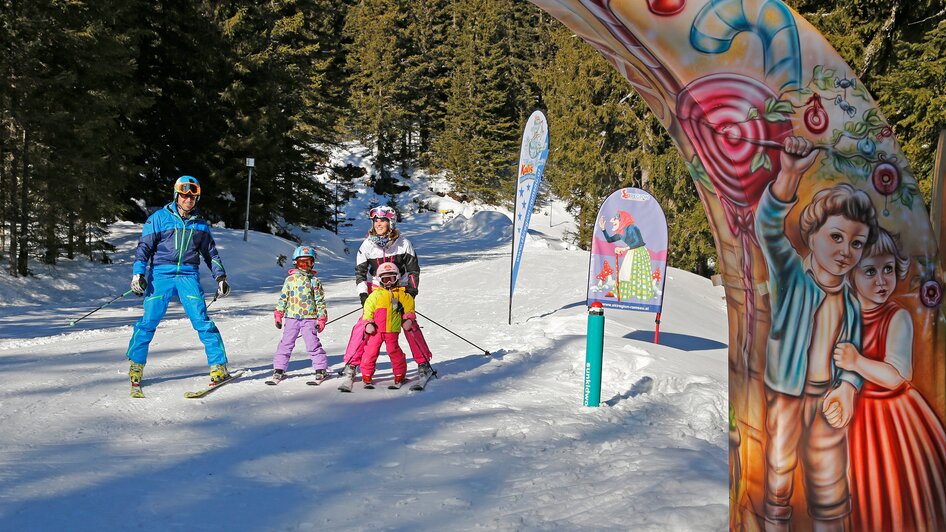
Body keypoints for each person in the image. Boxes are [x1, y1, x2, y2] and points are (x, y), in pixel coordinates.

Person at [754, 136, 877, 530]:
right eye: (836, 237)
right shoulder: (792, 276)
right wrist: (789, 173)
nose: (846, 251)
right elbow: (769, 229)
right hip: (787, 396)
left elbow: (852, 352)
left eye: (857, 244)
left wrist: (848, 385)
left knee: (829, 485)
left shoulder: (852, 302)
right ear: (813, 234)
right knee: (778, 472)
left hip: (828, 401)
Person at [833, 228, 946, 531]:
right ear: (850, 274)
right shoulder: (843, 315)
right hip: (859, 420)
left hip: (895, 418)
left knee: (896, 482)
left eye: (889, 269)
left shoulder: (897, 317)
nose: (882, 280)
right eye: (870, 271)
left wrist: (857, 361)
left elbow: (898, 376)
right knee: (864, 485)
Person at [126, 176, 231, 393]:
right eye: (185, 195)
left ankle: (219, 366)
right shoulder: (158, 218)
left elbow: (211, 254)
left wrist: (220, 277)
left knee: (202, 320)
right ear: (176, 195)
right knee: (148, 321)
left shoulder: (200, 224)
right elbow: (143, 249)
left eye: (193, 196)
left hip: (188, 275)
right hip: (161, 275)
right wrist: (138, 274)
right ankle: (136, 366)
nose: (189, 200)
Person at [341, 205, 434, 381]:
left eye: (383, 220)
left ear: (391, 222)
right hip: (376, 290)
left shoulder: (403, 243)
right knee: (363, 325)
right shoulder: (367, 245)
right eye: (376, 220)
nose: (379, 224)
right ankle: (351, 364)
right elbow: (360, 274)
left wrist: (410, 293)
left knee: (409, 324)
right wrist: (363, 295)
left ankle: (423, 363)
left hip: (400, 289)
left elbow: (413, 270)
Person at [269, 245, 329, 384]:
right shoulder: (290, 280)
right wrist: (279, 314)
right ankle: (279, 368)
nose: (305, 266)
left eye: (308, 262)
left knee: (312, 343)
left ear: (312, 263)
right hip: (291, 318)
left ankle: (321, 368)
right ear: (295, 262)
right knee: (286, 343)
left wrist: (321, 318)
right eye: (302, 262)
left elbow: (320, 301)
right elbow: (284, 298)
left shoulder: (315, 281)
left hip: (309, 319)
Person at [353, 262, 414, 387]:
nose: (389, 283)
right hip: (377, 330)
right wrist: (368, 323)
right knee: (371, 351)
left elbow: (409, 307)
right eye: (385, 279)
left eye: (392, 279)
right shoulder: (375, 295)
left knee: (394, 351)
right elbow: (368, 310)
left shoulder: (401, 294)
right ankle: (367, 374)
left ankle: (399, 374)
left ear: (397, 278)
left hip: (392, 329)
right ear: (379, 280)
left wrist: (408, 319)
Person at [597, 211, 654, 301]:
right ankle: (620, 292)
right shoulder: (621, 232)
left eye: (615, 219)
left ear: (622, 220)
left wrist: (624, 249)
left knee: (636, 274)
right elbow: (609, 240)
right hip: (631, 252)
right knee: (625, 272)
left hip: (639, 252)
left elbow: (639, 242)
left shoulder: (632, 228)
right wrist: (603, 229)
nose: (613, 221)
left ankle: (638, 294)